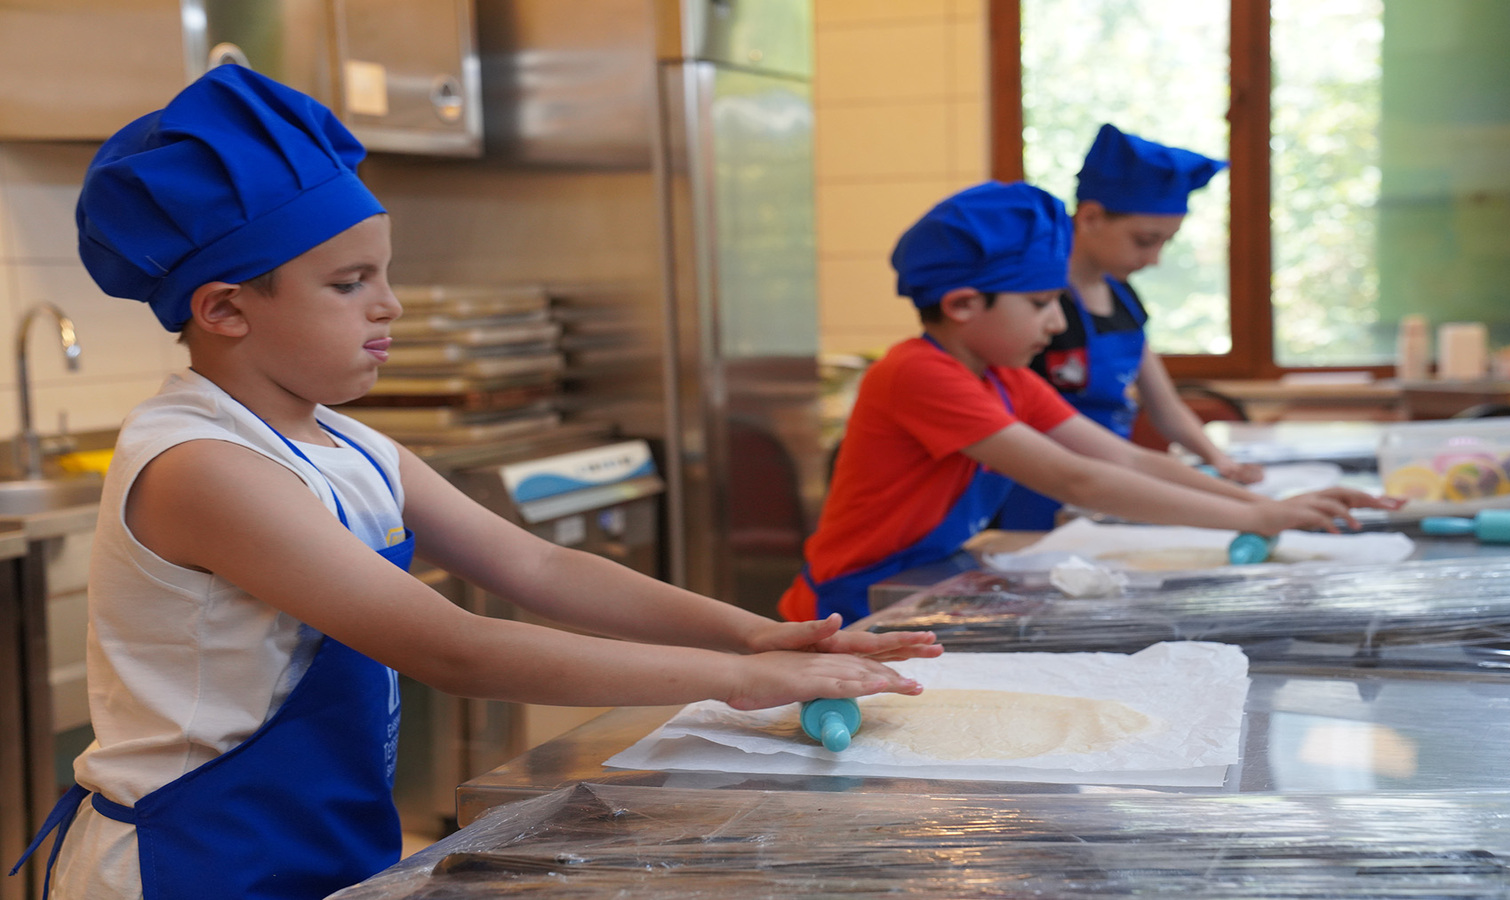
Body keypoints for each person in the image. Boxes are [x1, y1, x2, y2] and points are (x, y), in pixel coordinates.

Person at [8, 65, 939, 900]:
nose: (389, 304)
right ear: (224, 309)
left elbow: (537, 567)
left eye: (385, 273)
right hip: (190, 859)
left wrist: (749, 631)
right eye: (349, 283)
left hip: (314, 836)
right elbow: (451, 648)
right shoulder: (203, 466)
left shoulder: (346, 443)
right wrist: (738, 680)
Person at [777, 181, 1398, 626]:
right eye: (1040, 303)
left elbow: (1127, 460)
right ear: (963, 304)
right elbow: (1077, 479)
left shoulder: (1006, 378)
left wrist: (1262, 507)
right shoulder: (917, 374)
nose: (1056, 323)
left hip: (930, 576)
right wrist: (1257, 518)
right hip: (852, 604)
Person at [997, 123, 1263, 530]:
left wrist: (1219, 461)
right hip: (1034, 489)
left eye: (1165, 243)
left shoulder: (1123, 298)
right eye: (1144, 240)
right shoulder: (1030, 306)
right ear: (1091, 217)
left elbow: (1164, 406)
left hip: (1109, 482)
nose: (1154, 259)